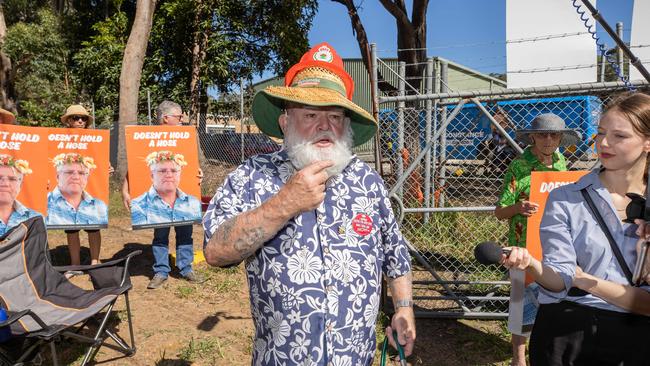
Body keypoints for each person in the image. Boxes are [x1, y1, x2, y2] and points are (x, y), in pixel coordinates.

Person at [203, 42, 415, 365]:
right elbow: (215, 250)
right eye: (311, 114)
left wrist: (404, 309)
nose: (324, 125)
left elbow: (395, 255)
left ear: (346, 127)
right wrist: (283, 204)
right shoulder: (253, 176)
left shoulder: (368, 182)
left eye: (334, 115)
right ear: (285, 122)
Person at [501, 92, 650, 365]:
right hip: (566, 327)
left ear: (647, 143)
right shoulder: (558, 193)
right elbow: (560, 276)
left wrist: (581, 279)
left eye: (619, 136)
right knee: (521, 309)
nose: (604, 143)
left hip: (637, 338)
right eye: (601, 133)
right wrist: (534, 262)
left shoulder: (561, 165)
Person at [494, 113, 579, 366]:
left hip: (555, 246)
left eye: (554, 135)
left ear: (561, 138)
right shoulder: (519, 166)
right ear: (532, 136)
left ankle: (546, 353)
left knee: (554, 304)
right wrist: (519, 207)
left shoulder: (563, 164)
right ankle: (519, 360)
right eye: (542, 134)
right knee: (521, 306)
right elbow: (500, 211)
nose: (548, 140)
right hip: (522, 247)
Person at [122, 101, 204, 289]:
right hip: (157, 203)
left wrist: (198, 173)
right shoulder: (146, 138)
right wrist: (125, 190)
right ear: (166, 118)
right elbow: (134, 168)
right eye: (179, 117)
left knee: (185, 234)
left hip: (182, 200)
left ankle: (186, 269)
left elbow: (191, 165)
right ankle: (161, 271)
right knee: (160, 236)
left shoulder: (184, 138)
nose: (182, 120)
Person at [56, 105, 107, 272]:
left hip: (90, 188)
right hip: (66, 191)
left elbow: (101, 161)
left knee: (93, 227)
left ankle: (95, 261)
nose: (80, 121)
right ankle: (75, 264)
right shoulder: (58, 139)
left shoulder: (95, 139)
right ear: (68, 121)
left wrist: (107, 167)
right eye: (76, 117)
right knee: (72, 230)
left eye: (83, 118)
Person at [130, 150, 201, 225]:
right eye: (163, 171)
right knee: (161, 236)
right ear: (152, 176)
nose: (169, 175)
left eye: (173, 171)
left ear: (179, 175)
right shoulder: (138, 206)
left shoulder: (194, 202)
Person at [47, 152, 108, 226]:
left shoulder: (100, 206)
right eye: (69, 172)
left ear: (87, 178)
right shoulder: (44, 204)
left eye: (81, 173)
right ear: (58, 177)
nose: (76, 177)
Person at [0, 155, 41, 236]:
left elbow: (37, 248)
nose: (5, 184)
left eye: (12, 179)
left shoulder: (34, 218)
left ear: (21, 185)